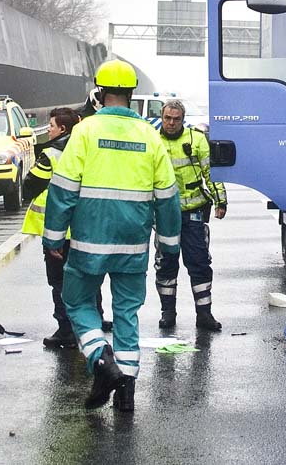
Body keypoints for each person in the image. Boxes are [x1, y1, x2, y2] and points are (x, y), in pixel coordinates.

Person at [43, 60, 181, 411]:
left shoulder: (86, 131)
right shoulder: (150, 136)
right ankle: (127, 391)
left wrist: (54, 238)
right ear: (132, 94)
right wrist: (168, 245)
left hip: (89, 241)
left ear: (100, 92)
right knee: (126, 313)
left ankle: (101, 359)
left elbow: (63, 189)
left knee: (76, 301)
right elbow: (167, 198)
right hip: (133, 243)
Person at [22, 107, 112, 348]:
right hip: (85, 228)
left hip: (58, 231)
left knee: (60, 282)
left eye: (51, 126)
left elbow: (30, 184)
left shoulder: (51, 154)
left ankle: (66, 330)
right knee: (89, 277)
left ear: (62, 129)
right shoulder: (88, 151)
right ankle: (96, 320)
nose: (48, 130)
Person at [154, 100, 228, 331]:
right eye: (168, 118)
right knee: (166, 264)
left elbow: (210, 172)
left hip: (193, 214)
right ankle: (168, 313)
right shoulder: (153, 142)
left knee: (199, 264)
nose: (171, 123)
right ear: (162, 117)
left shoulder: (196, 140)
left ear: (183, 120)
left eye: (176, 119)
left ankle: (204, 314)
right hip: (164, 216)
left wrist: (221, 200)